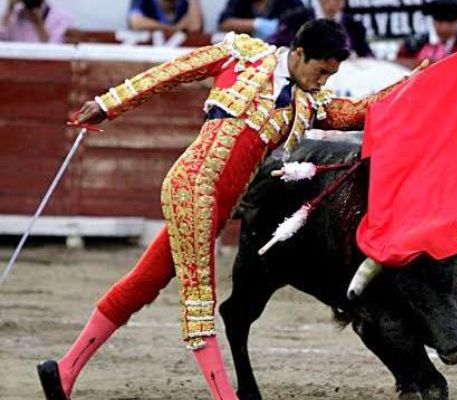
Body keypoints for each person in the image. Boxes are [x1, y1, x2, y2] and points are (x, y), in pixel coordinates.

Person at [36, 20, 416, 400]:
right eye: (320, 71)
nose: (322, 81)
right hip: (193, 187)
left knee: (144, 281)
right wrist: (109, 103)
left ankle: (64, 371)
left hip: (219, 205)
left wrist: (412, 85)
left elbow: (356, 111)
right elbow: (173, 71)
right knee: (200, 304)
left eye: (330, 74)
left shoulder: (307, 102)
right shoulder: (243, 55)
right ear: (299, 54)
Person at [268, 0, 373, 57]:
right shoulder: (296, 20)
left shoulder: (354, 26)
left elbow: (367, 55)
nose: (333, 1)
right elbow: (274, 46)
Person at [396, 0, 457, 69]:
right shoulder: (414, 44)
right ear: (433, 22)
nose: (445, 28)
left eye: (450, 23)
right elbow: (397, 66)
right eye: (440, 23)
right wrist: (418, 64)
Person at [218, 0, 302, 40]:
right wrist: (255, 24)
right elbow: (223, 23)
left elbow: (303, 24)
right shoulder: (239, 2)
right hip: (247, 50)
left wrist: (282, 28)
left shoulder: (290, 2)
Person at [0, 0, 73, 43]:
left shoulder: (62, 18)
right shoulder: (13, 15)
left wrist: (38, 24)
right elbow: (3, 40)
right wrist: (9, 10)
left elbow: (56, 49)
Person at [128, 0, 203, 32]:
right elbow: (135, 22)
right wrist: (171, 29)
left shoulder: (183, 3)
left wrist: (194, 1)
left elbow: (195, 27)